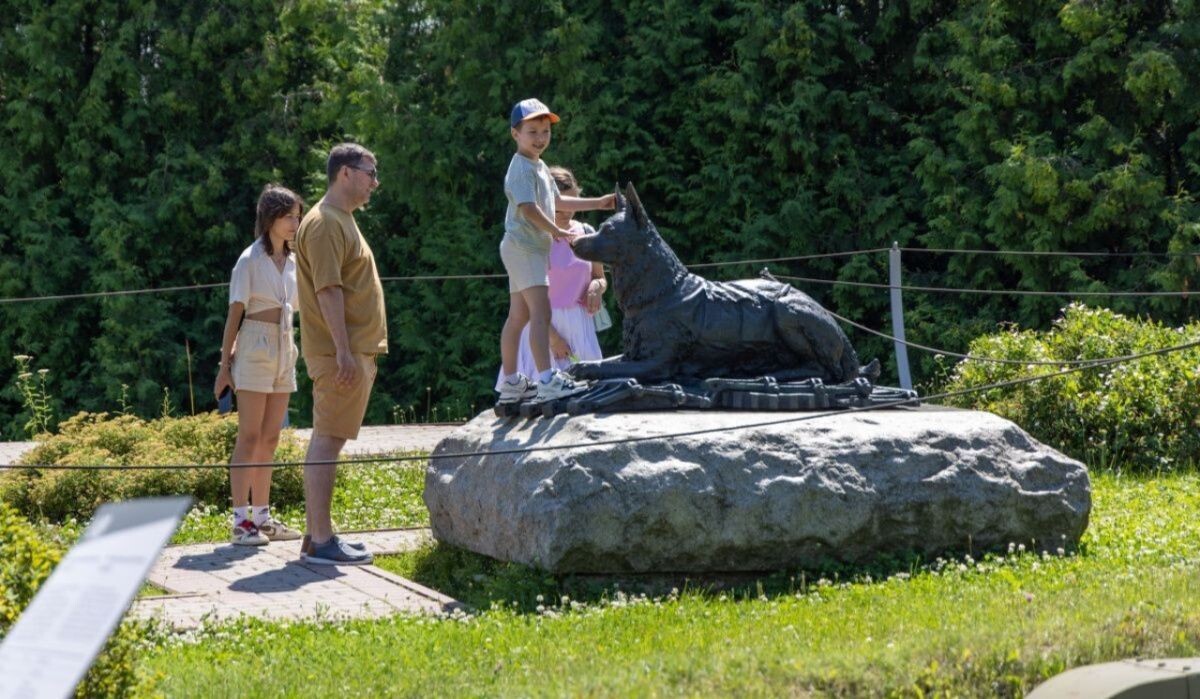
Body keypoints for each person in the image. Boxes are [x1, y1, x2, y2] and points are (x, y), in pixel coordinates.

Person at [294, 143, 386, 566]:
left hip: (346, 353)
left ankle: (316, 538)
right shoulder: (326, 223)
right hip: (338, 356)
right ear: (345, 173)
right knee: (328, 442)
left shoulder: (338, 219)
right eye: (370, 172)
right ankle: (322, 541)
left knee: (326, 439)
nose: (374, 182)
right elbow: (327, 290)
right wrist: (344, 352)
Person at [497, 98, 615, 405]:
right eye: (532, 131)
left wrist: (597, 202)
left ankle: (511, 382)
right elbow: (529, 208)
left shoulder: (539, 166)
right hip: (526, 248)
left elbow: (558, 203)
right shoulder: (522, 168)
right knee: (540, 313)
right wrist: (556, 230)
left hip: (523, 248)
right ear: (515, 134)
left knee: (519, 316)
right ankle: (547, 380)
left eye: (545, 131)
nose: (540, 138)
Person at [214, 184, 306, 546]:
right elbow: (234, 314)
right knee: (249, 436)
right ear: (270, 219)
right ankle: (241, 522)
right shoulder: (249, 260)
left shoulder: (296, 263)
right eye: (288, 217)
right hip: (254, 345)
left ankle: (263, 517)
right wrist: (225, 366)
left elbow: (300, 306)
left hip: (285, 345)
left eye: (297, 216)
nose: (294, 223)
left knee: (271, 436)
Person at [495, 165, 607, 388]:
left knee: (587, 395)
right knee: (540, 403)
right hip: (542, 330)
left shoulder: (586, 232)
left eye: (571, 205)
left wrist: (597, 287)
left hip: (580, 328)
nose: (566, 214)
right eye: (560, 207)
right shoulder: (528, 240)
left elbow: (600, 277)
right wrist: (553, 338)